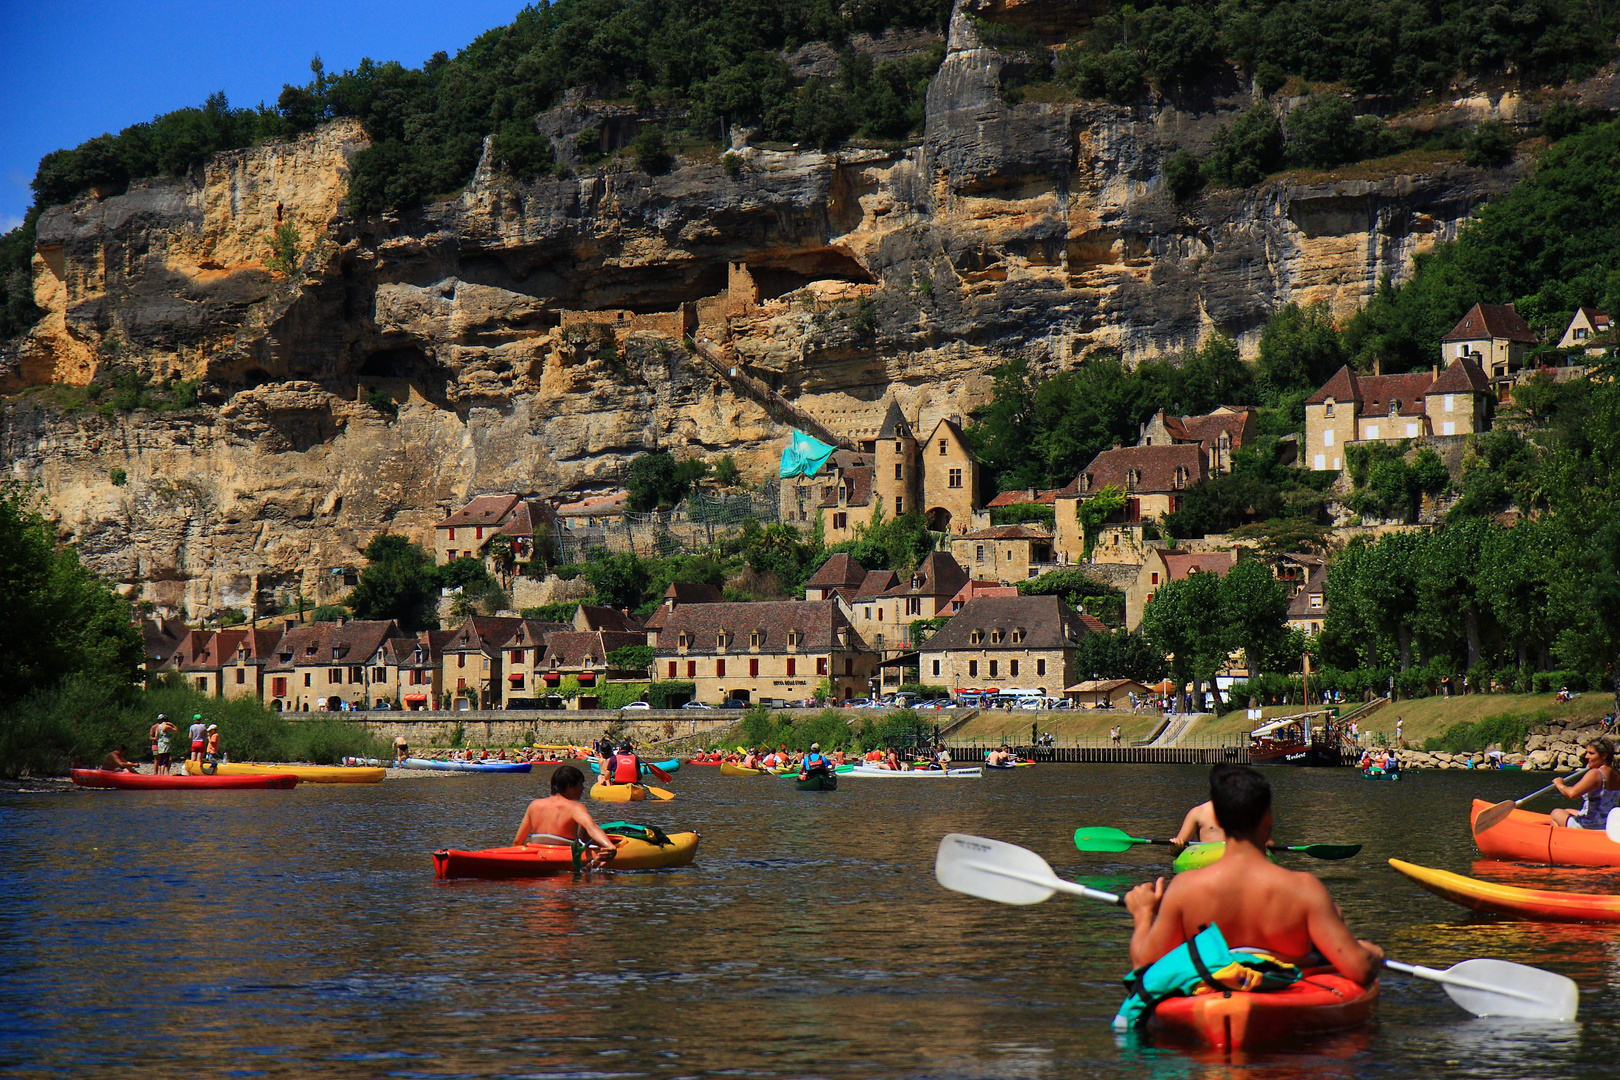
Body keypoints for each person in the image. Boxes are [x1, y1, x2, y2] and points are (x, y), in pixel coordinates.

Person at [1125, 764, 1383, 984]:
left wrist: (1143, 913)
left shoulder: (1183, 889)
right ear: (1268, 819)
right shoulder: (1305, 889)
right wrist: (1373, 952)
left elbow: (1143, 967)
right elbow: (1360, 968)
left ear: (1220, 822)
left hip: (1212, 993)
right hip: (1283, 998)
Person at [513, 765, 618, 869]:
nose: (583, 788)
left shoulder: (534, 805)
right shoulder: (575, 807)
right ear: (569, 786)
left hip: (538, 853)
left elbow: (517, 842)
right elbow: (592, 827)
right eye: (581, 784)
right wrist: (609, 846)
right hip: (565, 855)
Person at [1550, 738, 1620, 829]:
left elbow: (1572, 794)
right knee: (1567, 810)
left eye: (1591, 753)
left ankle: (1560, 842)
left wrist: (1560, 784)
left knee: (1555, 813)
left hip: (1590, 825)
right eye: (1587, 753)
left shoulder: (1595, 774)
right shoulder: (1617, 774)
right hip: (1608, 824)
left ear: (1604, 756)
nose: (1586, 756)